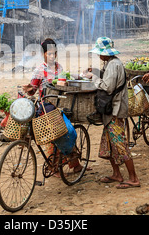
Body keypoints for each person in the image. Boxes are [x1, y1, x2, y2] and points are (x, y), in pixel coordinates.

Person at [85, 37, 140, 189]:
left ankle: (133, 178)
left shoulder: (114, 64)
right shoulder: (110, 63)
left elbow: (108, 87)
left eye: (99, 53)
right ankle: (117, 174)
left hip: (115, 109)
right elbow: (107, 76)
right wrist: (95, 72)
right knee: (109, 144)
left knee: (120, 144)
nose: (98, 56)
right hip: (111, 110)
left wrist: (94, 77)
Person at [22, 38, 83, 174]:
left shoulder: (59, 68)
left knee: (66, 132)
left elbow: (64, 82)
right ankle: (55, 166)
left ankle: (72, 163)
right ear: (43, 54)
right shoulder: (39, 70)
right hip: (46, 108)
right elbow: (33, 89)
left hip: (61, 106)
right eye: (49, 53)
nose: (52, 56)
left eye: (54, 53)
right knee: (56, 136)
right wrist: (29, 88)